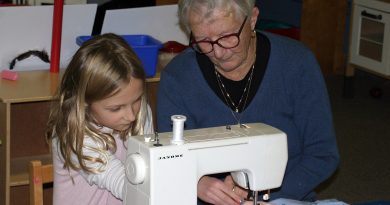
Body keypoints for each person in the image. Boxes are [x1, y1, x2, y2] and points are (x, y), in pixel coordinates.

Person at [156, 0, 340, 205]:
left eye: (227, 37)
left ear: (252, 19)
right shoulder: (178, 77)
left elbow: (323, 155)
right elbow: (168, 159)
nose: (218, 52)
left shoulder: (297, 63)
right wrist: (196, 182)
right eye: (203, 40)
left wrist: (264, 198)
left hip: (285, 198)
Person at [46, 33, 154, 205]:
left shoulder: (141, 113)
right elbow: (126, 186)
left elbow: (150, 168)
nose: (131, 115)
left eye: (136, 100)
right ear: (85, 102)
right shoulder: (74, 134)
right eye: (115, 108)